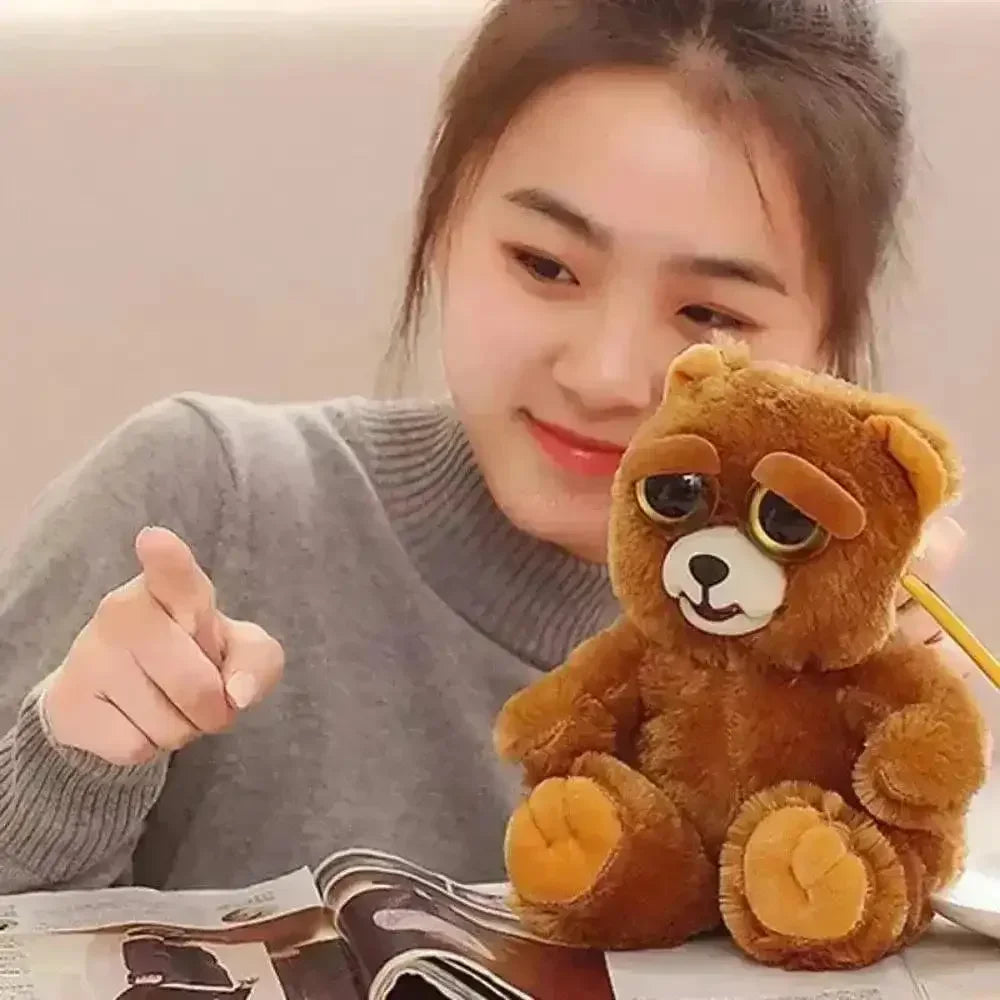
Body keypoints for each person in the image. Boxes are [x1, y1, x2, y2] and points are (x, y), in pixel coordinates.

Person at [0, 0, 981, 896]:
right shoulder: (204, 498)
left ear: (826, 355)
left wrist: (863, 772)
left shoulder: (830, 655)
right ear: (444, 225)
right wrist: (70, 767)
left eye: (711, 315)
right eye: (544, 265)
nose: (603, 375)